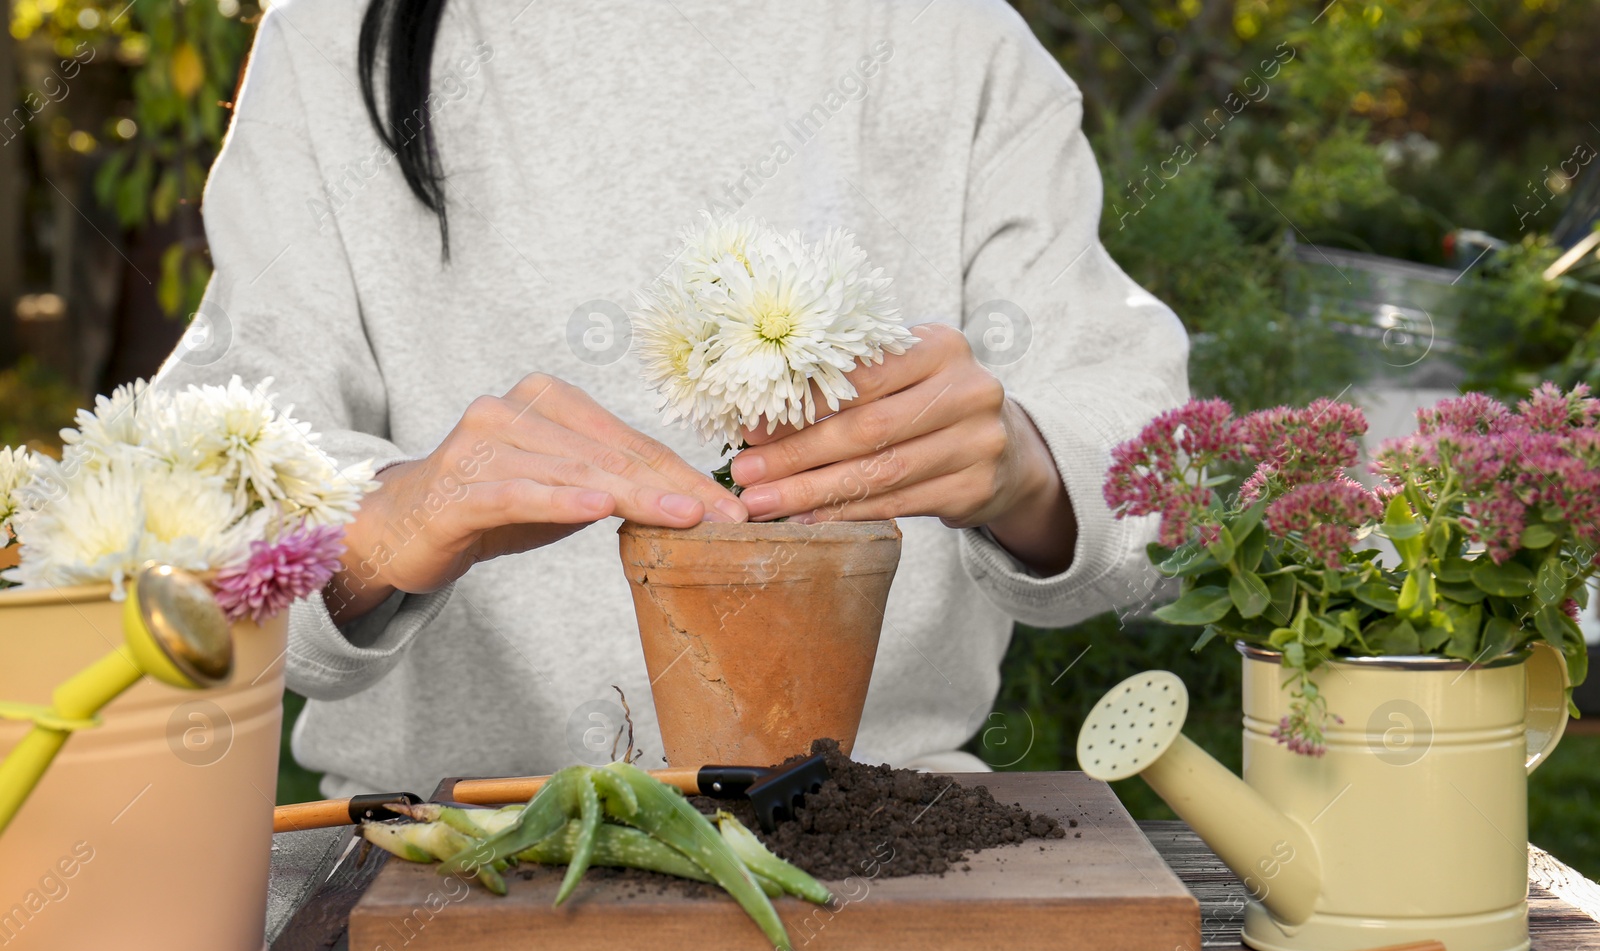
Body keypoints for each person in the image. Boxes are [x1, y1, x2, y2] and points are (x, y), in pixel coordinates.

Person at [156, 0, 1187, 798]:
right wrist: (388, 522)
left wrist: (1022, 466)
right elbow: (187, 493)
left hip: (885, 848)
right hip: (440, 855)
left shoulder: (945, 37)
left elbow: (1165, 475)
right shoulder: (333, 40)